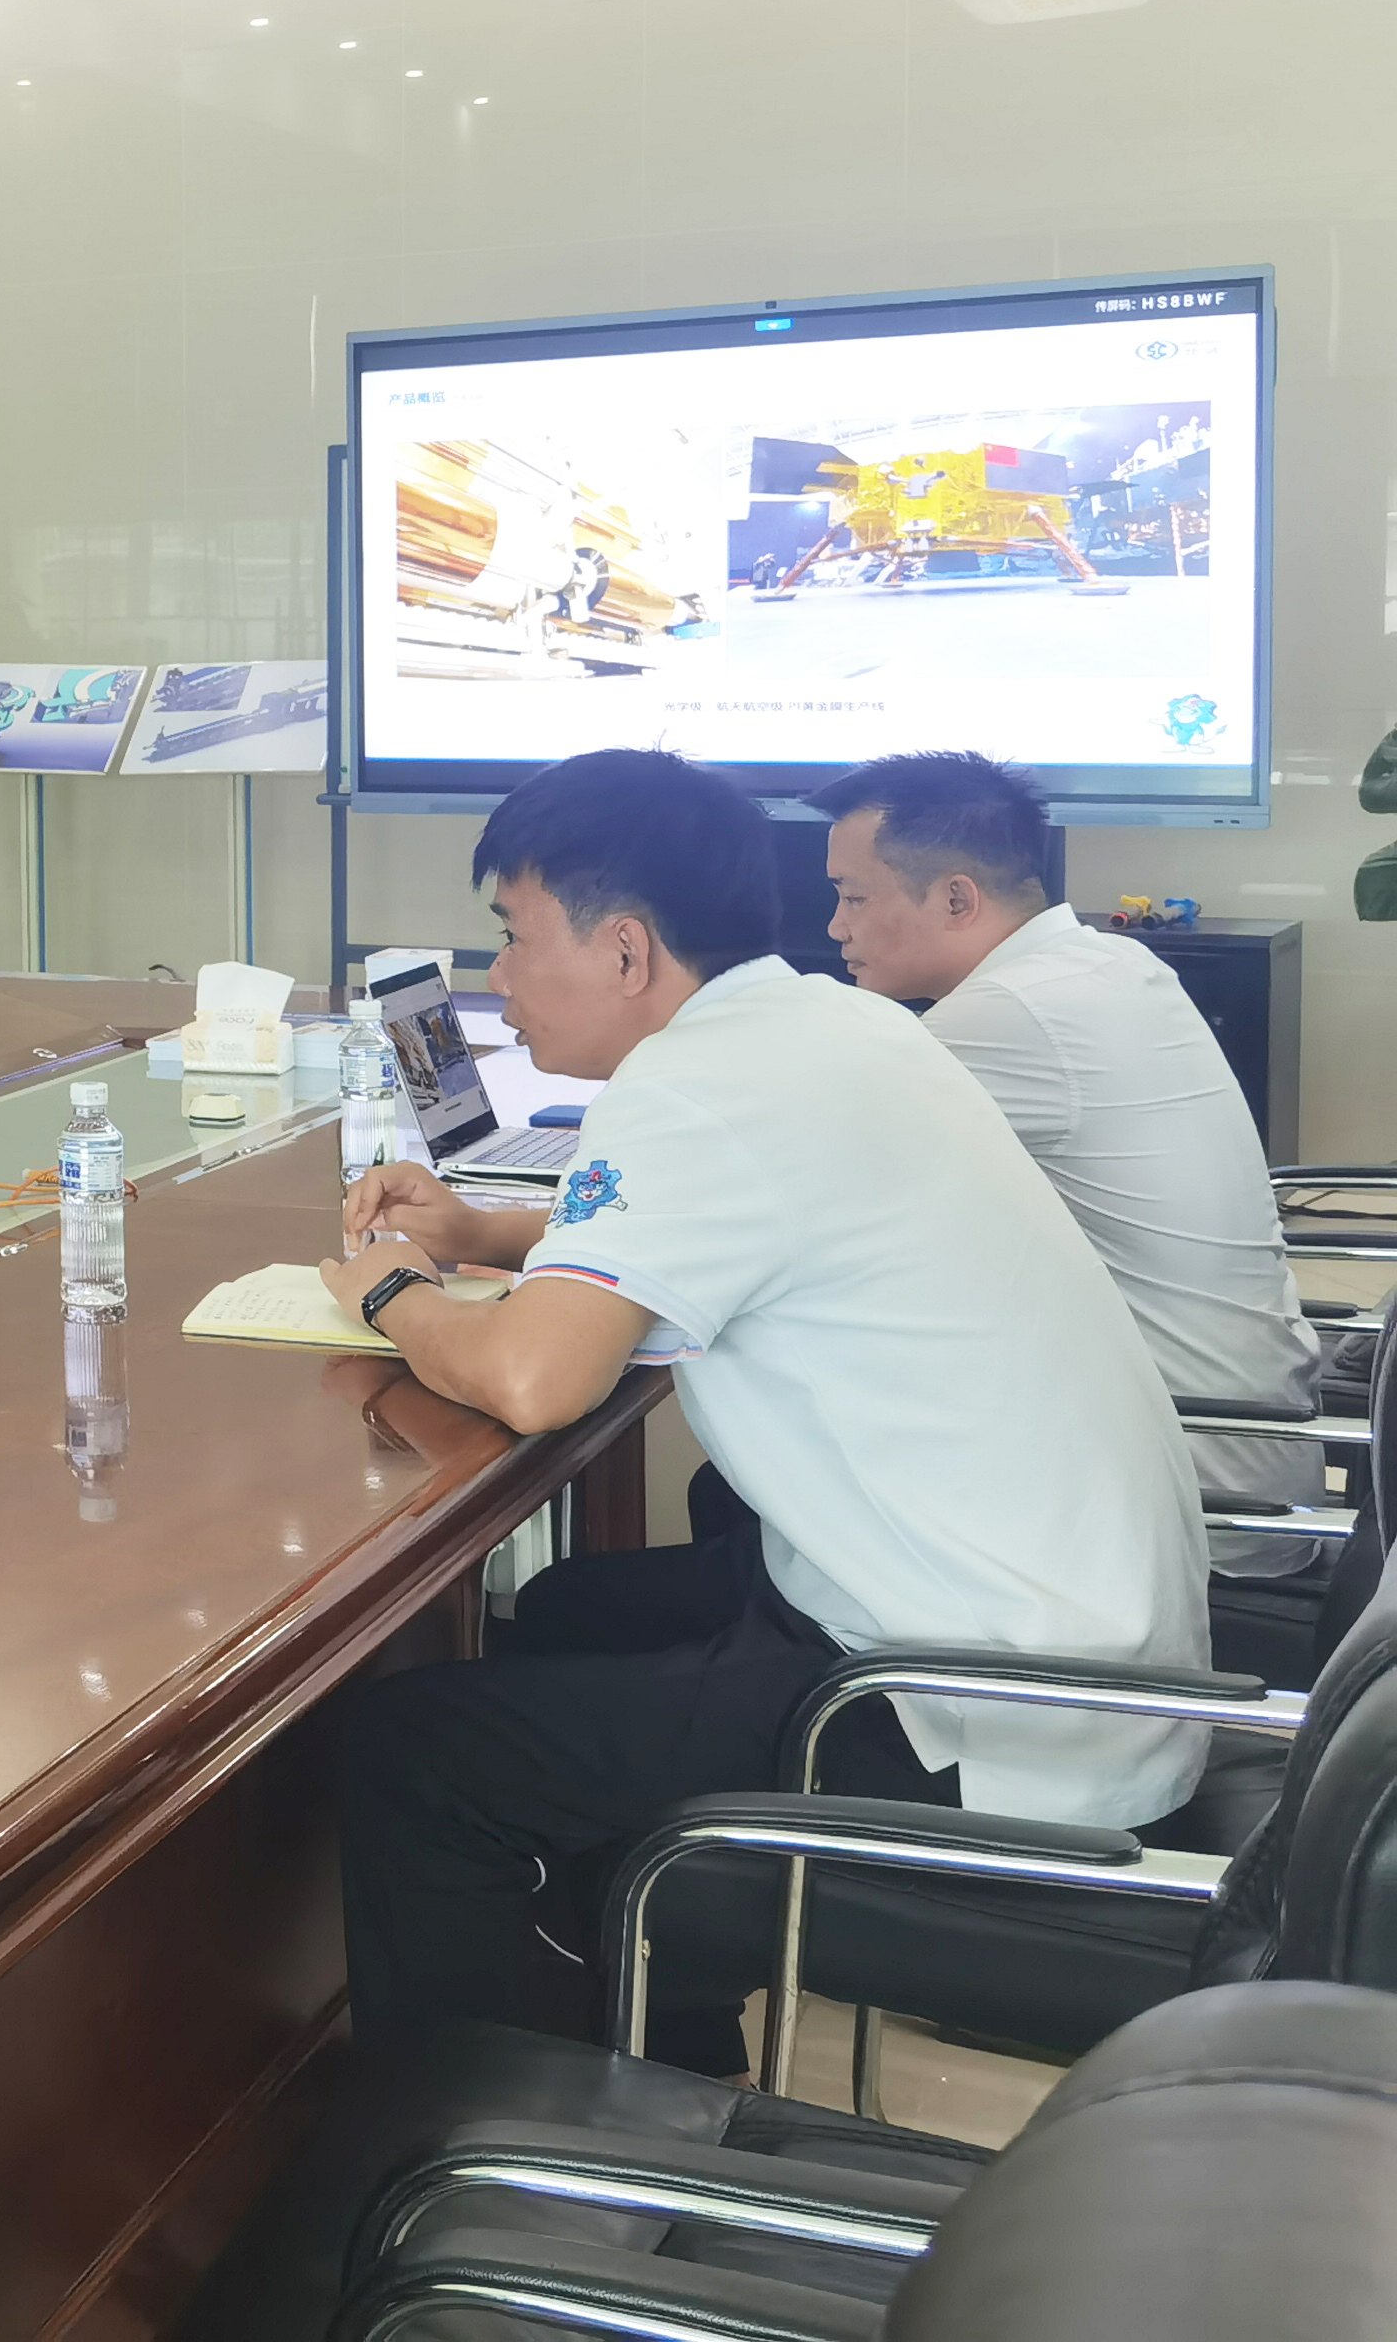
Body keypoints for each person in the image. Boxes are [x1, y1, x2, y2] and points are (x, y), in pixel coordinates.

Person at [313, 747, 1211, 2071]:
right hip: (1064, 1647)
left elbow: (535, 1380)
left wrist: (392, 1291)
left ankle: (485, 2132)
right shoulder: (819, 1026)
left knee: (416, 1753)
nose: (496, 976)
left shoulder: (692, 1087)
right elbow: (714, 1220)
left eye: (512, 936)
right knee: (567, 1614)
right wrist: (487, 1234)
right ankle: (660, 2061)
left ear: (625, 950)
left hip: (969, 1708)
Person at [814, 750, 1319, 1578]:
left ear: (956, 898)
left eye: (853, 896)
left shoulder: (1008, 1015)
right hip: (1252, 1458)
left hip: (1182, 1511)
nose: (837, 926)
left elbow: (797, 1195)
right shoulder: (1113, 962)